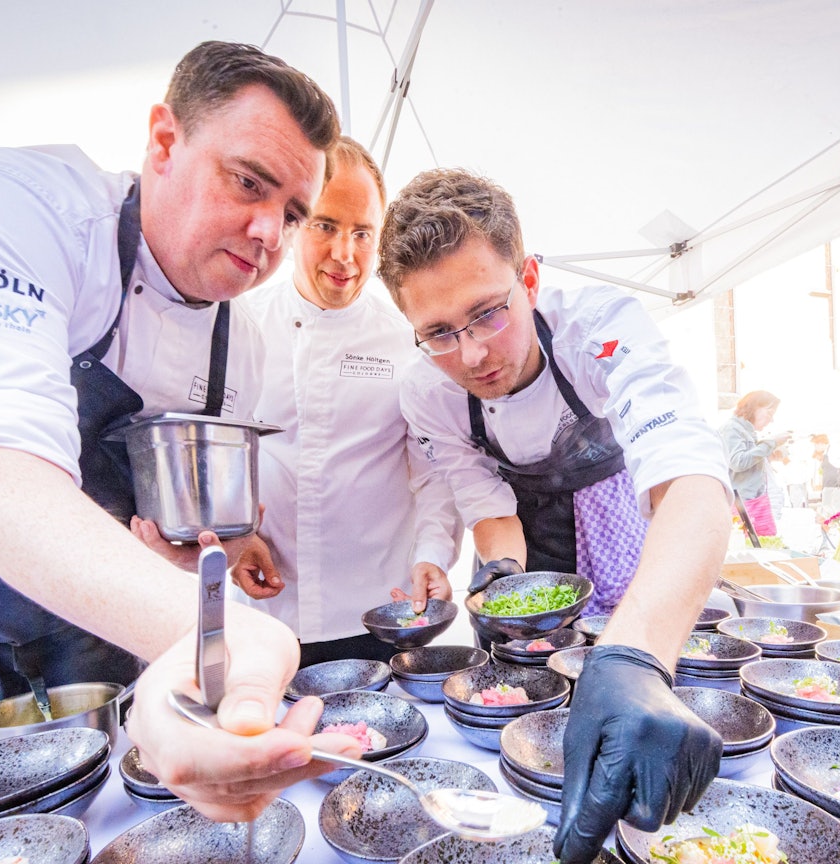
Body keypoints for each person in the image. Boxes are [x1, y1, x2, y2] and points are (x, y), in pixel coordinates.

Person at [0, 42, 365, 813]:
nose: (268, 234)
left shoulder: (236, 341)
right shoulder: (15, 206)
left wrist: (184, 551)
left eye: (290, 212)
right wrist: (220, 633)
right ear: (164, 141)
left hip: (73, 636)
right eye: (248, 182)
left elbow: (156, 514)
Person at [380, 168, 731, 864]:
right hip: (528, 529)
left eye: (488, 312)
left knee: (634, 682)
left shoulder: (600, 326)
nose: (472, 354)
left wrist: (636, 654)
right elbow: (486, 502)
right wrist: (507, 575)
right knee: (530, 691)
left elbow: (688, 473)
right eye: (439, 333)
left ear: (530, 278)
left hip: (626, 521)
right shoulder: (427, 392)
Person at [234, 137, 460, 666]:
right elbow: (213, 454)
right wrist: (234, 537)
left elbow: (435, 472)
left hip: (381, 615)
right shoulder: (237, 325)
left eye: (363, 233)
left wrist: (432, 556)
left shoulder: (408, 339)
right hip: (264, 614)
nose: (345, 254)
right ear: (293, 223)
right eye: (325, 225)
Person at [718, 390, 787, 537]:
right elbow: (737, 462)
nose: (771, 419)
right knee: (752, 551)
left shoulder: (747, 431)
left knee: (764, 548)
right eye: (770, 413)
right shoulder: (732, 428)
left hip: (755, 503)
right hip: (743, 505)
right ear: (753, 407)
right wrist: (771, 443)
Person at [811, 433, 840, 517]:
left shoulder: (833, 451)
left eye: (816, 444)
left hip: (835, 486)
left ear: (822, 443)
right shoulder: (826, 453)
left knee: (834, 511)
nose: (815, 447)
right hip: (828, 486)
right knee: (828, 510)